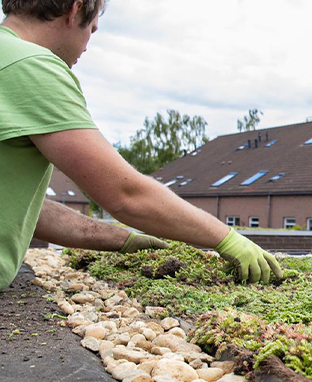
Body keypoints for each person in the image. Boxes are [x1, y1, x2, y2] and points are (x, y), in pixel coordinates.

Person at [0, 0, 282, 289]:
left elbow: (25, 211)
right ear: (75, 9)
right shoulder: (30, 66)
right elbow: (124, 193)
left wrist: (124, 240)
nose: (86, 46)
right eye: (93, 30)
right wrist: (227, 238)